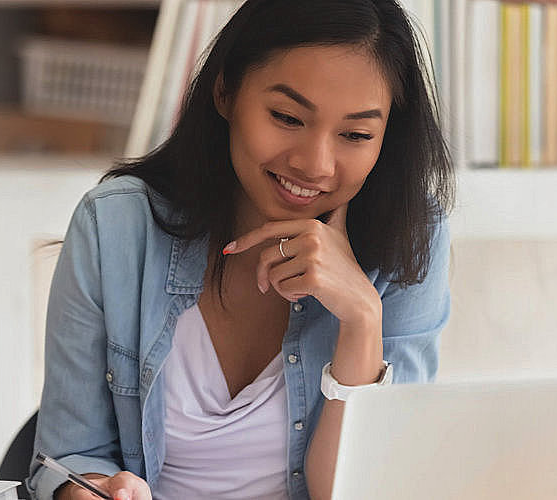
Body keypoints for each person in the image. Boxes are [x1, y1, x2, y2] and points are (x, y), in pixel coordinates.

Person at [28, 1, 453, 499]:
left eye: (355, 135)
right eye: (287, 117)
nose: (315, 164)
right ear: (225, 91)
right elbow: (66, 458)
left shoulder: (409, 238)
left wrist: (361, 318)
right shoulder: (117, 226)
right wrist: (93, 491)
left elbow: (371, 489)